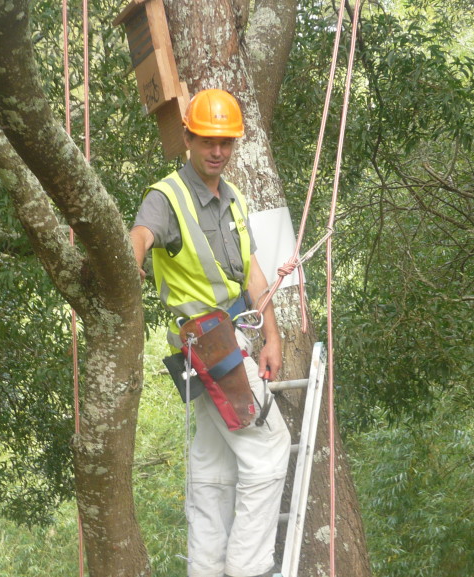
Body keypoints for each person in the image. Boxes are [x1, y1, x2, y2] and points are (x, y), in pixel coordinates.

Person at [129, 89, 291, 577]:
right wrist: (127, 262)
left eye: (226, 142)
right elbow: (139, 235)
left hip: (235, 338)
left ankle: (206, 568)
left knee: (214, 464)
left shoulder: (234, 199)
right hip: (211, 343)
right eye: (207, 141)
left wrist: (273, 337)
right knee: (268, 450)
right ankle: (247, 568)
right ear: (188, 138)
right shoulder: (167, 197)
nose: (217, 151)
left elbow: (253, 272)